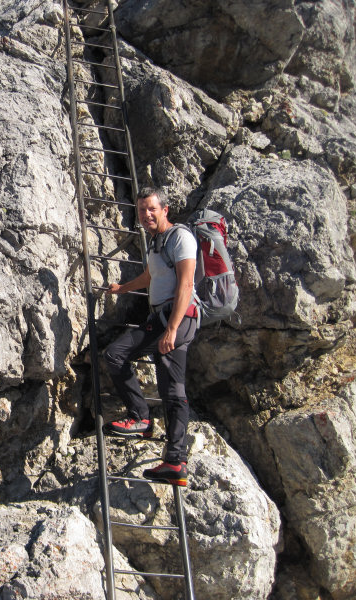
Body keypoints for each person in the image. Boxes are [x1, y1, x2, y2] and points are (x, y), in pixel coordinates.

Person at [103, 186, 198, 486]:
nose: (146, 215)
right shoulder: (157, 243)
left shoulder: (180, 238)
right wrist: (123, 289)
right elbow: (150, 277)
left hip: (174, 317)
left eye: (152, 209)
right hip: (168, 317)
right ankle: (175, 463)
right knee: (173, 391)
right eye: (142, 210)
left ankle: (140, 417)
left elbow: (185, 284)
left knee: (115, 354)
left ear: (165, 210)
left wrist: (170, 327)